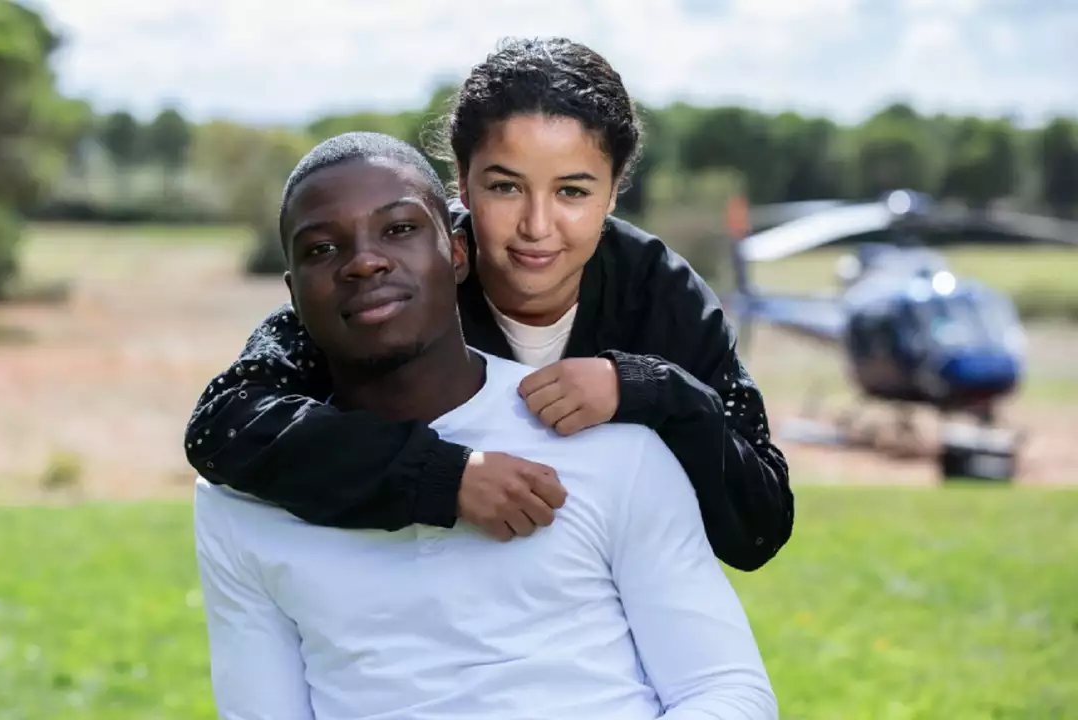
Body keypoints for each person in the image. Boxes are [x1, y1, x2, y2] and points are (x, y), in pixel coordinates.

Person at [194, 130, 778, 719]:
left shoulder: (610, 443)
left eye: (399, 228)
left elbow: (728, 694)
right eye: (322, 248)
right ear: (293, 294)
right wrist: (443, 477)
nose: (365, 261)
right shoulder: (241, 498)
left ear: (457, 252)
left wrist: (661, 390)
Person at [186, 36, 793, 571]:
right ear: (462, 180)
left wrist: (649, 389)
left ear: (613, 192)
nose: (537, 225)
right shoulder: (410, 270)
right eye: (505, 187)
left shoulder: (663, 295)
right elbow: (225, 422)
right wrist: (444, 477)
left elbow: (759, 526)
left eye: (572, 192)